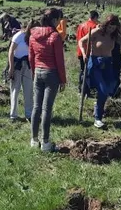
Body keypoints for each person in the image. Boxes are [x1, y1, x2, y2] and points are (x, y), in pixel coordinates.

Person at [79, 15, 121, 128]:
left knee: (110, 87)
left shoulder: (114, 36)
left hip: (107, 64)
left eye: (114, 28)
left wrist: (120, 30)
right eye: (110, 27)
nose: (111, 30)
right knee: (103, 90)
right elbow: (82, 41)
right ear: (106, 24)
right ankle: (98, 118)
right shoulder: (97, 31)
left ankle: (98, 105)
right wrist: (83, 54)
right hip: (95, 63)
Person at [28, 8, 66, 151]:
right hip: (51, 73)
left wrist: (34, 74)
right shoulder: (55, 37)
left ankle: (34, 140)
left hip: (38, 71)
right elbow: (59, 61)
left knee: (36, 107)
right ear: (55, 20)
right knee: (46, 109)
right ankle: (45, 143)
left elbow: (31, 57)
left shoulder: (33, 35)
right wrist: (62, 79)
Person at [8, 22, 33, 121]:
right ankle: (13, 115)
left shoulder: (32, 37)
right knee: (15, 90)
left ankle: (29, 114)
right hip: (17, 66)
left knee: (28, 90)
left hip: (28, 66)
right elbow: (11, 51)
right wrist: (11, 67)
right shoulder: (18, 36)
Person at [75, 11, 100, 91]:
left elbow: (78, 38)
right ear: (95, 17)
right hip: (89, 52)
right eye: (97, 19)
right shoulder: (94, 27)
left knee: (82, 69)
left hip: (80, 50)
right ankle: (86, 88)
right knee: (89, 71)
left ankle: (81, 87)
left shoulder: (80, 25)